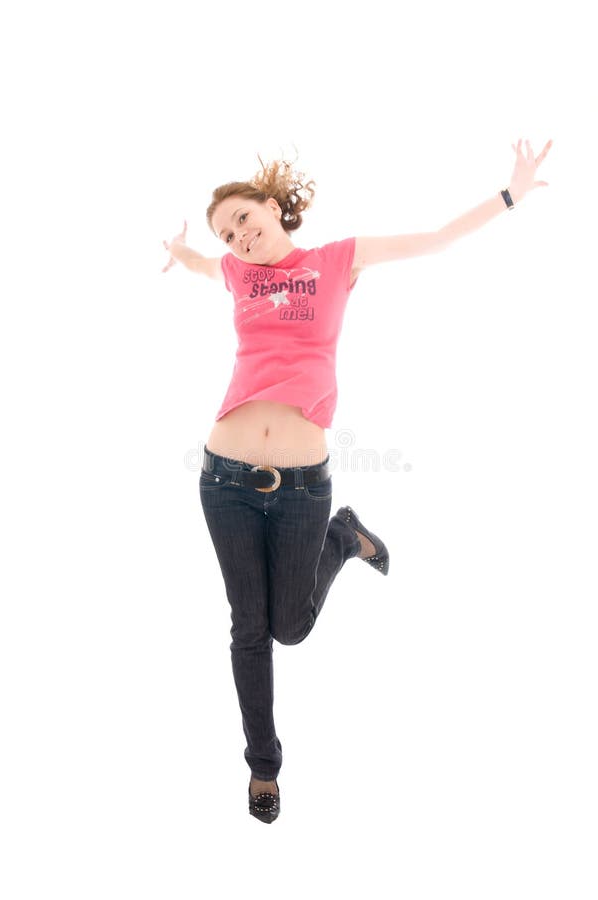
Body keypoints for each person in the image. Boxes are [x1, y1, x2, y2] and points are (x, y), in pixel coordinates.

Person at [162, 139, 552, 824]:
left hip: (304, 487)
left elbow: (433, 240)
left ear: (273, 207)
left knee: (291, 629)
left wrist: (510, 193)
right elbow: (204, 266)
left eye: (245, 218)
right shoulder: (235, 273)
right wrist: (185, 251)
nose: (239, 236)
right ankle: (264, 765)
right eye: (228, 233)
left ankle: (344, 535)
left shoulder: (336, 261)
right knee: (248, 629)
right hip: (222, 478)